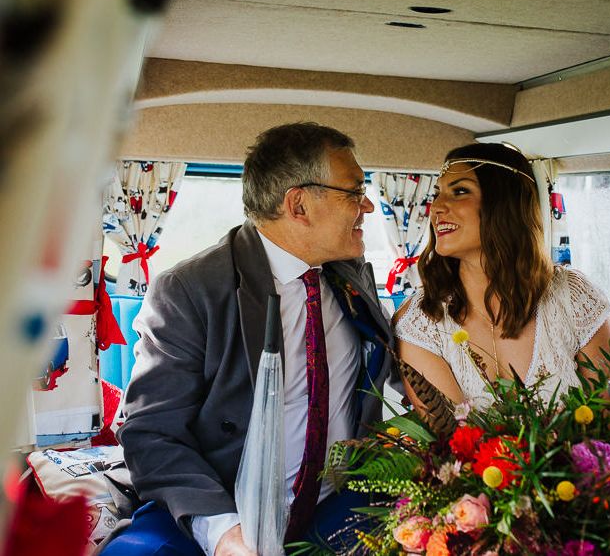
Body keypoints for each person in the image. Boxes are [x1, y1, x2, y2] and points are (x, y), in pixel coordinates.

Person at [101, 123, 393, 556]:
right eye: (354, 192)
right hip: (219, 506)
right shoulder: (191, 289)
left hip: (337, 506)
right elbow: (150, 432)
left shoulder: (352, 274)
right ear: (299, 205)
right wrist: (224, 535)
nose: (367, 205)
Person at [394, 143, 610, 412]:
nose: (437, 208)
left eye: (459, 191)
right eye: (437, 194)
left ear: (503, 204)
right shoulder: (421, 321)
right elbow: (450, 439)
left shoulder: (575, 298)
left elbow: (609, 418)